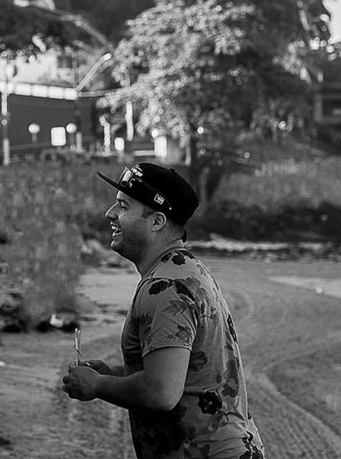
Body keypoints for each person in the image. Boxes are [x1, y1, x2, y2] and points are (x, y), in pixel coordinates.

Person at [62, 163, 264, 459]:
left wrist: (99, 385)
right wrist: (118, 374)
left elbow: (161, 392)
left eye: (123, 206)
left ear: (156, 221)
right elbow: (185, 373)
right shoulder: (186, 270)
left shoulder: (166, 286)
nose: (110, 214)